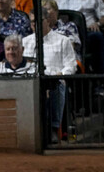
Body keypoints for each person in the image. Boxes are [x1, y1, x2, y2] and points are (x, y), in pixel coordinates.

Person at [23, 11, 76, 139]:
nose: (35, 24)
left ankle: (53, 128)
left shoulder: (63, 40)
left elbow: (71, 65)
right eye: (32, 21)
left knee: (57, 85)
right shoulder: (25, 42)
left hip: (53, 80)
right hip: (31, 81)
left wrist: (61, 74)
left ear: (48, 21)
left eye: (38, 21)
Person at [48, 0, 104, 72]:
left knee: (98, 37)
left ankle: (100, 80)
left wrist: (98, 23)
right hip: (60, 34)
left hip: (85, 33)